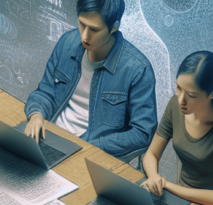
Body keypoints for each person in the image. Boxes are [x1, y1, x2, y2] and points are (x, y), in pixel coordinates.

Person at [24, 0, 158, 160]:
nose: (85, 35)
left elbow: (142, 133)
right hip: (50, 138)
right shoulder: (67, 42)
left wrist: (95, 147)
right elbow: (45, 92)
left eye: (94, 29)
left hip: (91, 155)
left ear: (114, 27)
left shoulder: (137, 69)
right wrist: (36, 114)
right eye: (82, 24)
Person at [142, 51, 213, 205]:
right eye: (178, 88)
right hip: (181, 200)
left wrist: (166, 185)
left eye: (191, 95)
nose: (181, 100)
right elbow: (151, 154)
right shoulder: (175, 106)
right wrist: (154, 177)